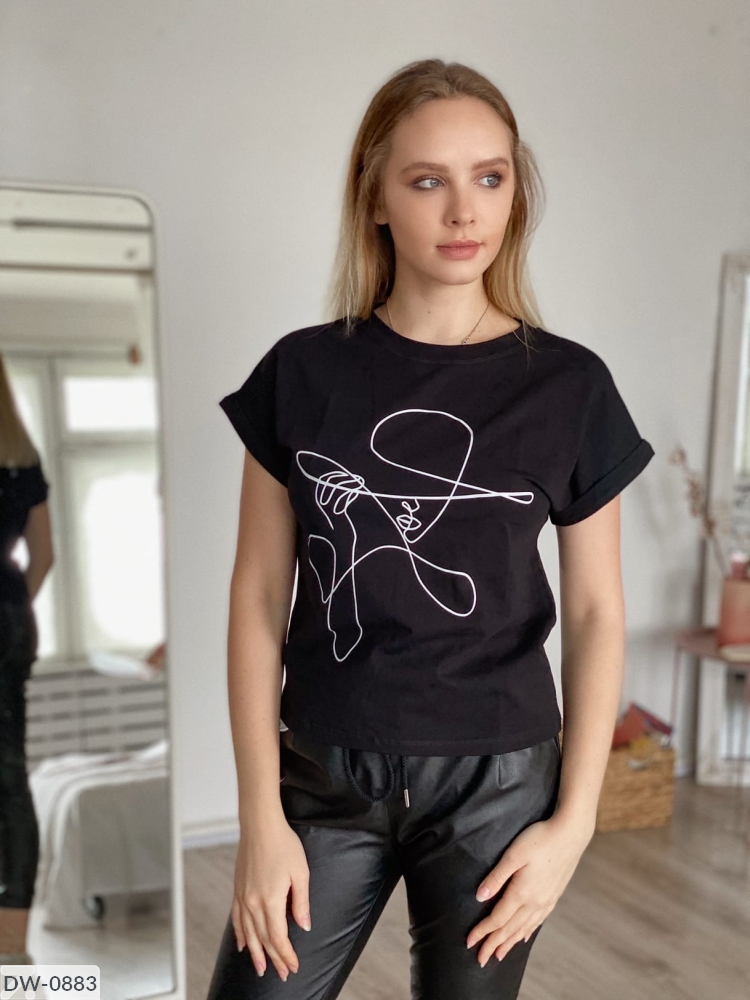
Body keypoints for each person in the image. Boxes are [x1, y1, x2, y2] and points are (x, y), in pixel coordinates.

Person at [207, 58, 654, 1000]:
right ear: (375, 196)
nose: (464, 212)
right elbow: (257, 597)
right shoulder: (301, 373)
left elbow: (597, 614)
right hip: (323, 773)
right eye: (427, 181)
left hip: (499, 786)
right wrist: (260, 819)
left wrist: (573, 825)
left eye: (489, 178)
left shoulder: (570, 386)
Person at [0, 353, 54, 967]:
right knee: (9, 776)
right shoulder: (21, 455)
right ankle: (12, 946)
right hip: (10, 620)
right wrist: (12, 612)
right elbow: (43, 556)